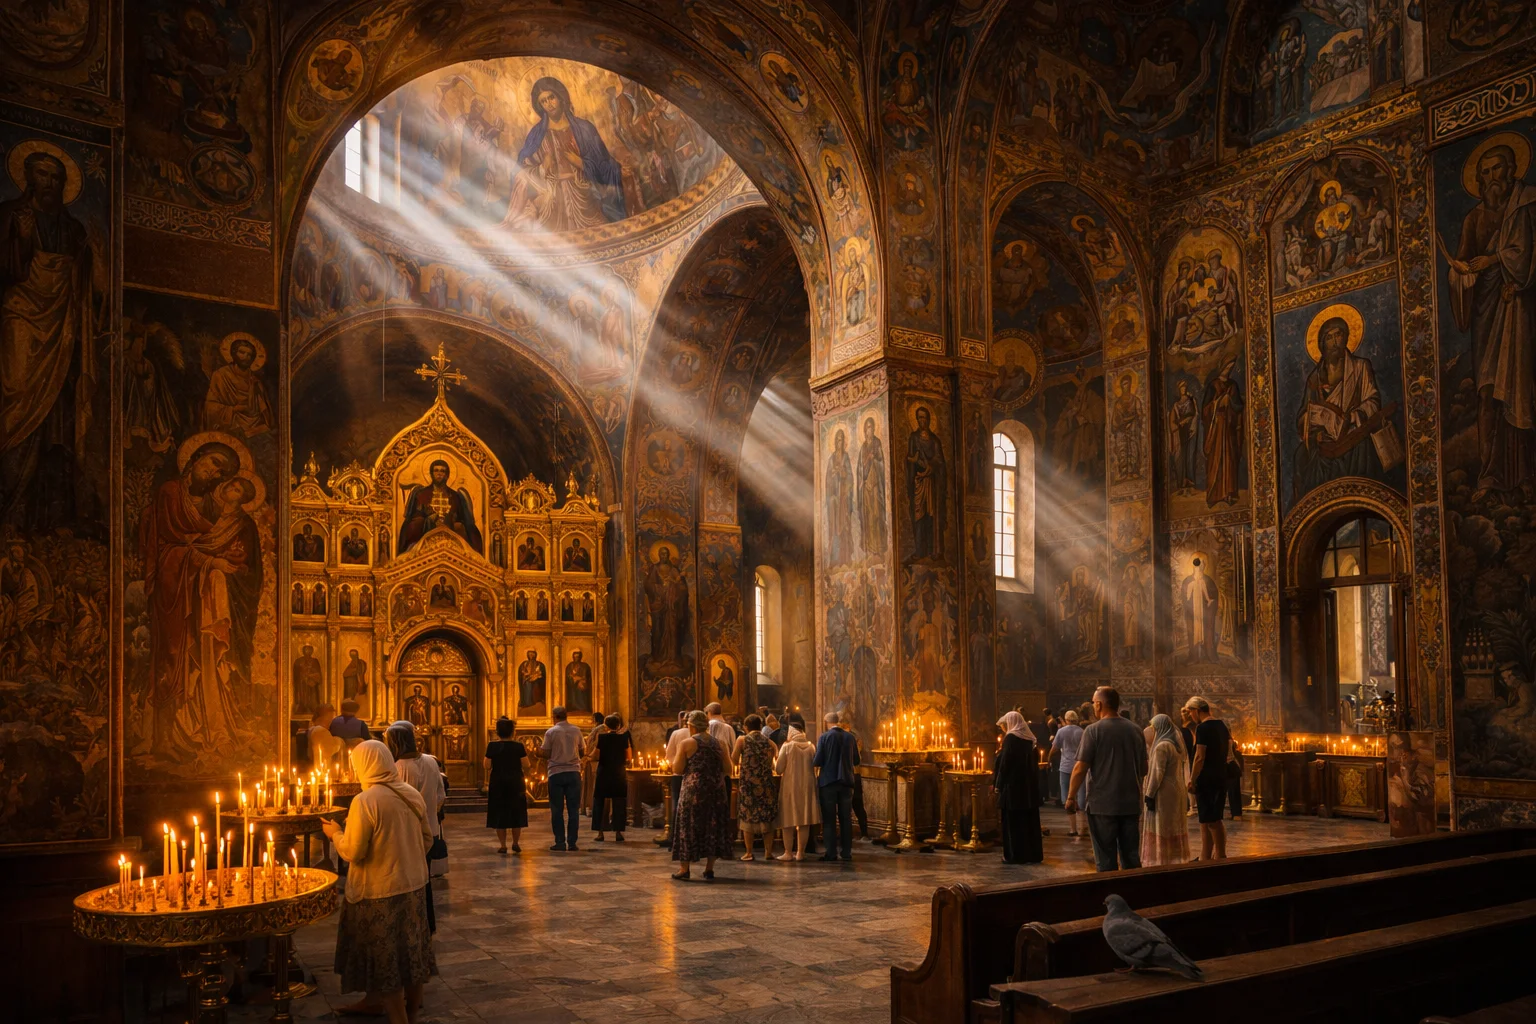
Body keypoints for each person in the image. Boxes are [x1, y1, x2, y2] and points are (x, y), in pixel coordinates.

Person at [321, 741, 435, 1024]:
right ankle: (403, 1010)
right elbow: (427, 839)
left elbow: (353, 852)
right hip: (415, 885)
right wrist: (405, 856)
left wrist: (335, 833)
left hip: (379, 891)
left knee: (385, 958)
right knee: (410, 952)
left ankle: (399, 1019)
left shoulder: (366, 800)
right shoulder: (410, 793)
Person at [1065, 686, 1147, 872]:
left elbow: (1080, 768)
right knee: (1131, 857)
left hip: (1102, 805)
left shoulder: (1093, 731)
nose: (1094, 707)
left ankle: (1110, 896)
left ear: (1100, 704)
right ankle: (1135, 894)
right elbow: (1144, 768)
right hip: (1130, 804)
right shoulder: (1136, 730)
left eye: (1094, 703)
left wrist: (1071, 797)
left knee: (1105, 858)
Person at [384, 722, 447, 929]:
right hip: (430, 826)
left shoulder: (397, 768)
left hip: (406, 832)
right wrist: (431, 813)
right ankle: (428, 921)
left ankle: (410, 923)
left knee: (408, 879)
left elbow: (396, 803)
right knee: (424, 877)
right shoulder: (430, 761)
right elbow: (440, 794)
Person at [670, 710, 733, 880]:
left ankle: (685, 869)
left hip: (693, 792)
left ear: (691, 726)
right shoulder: (721, 744)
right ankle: (709, 868)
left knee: (688, 827)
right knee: (712, 827)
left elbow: (677, 769)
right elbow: (728, 769)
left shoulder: (686, 743)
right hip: (716, 792)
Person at [1140, 715, 1190, 867]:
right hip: (1176, 790)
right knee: (1173, 825)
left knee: (1160, 825)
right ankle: (1174, 857)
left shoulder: (1161, 746)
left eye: (1154, 728)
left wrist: (1149, 794)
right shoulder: (1175, 746)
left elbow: (1156, 773)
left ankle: (1160, 859)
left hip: (1162, 792)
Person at [1185, 696, 1232, 861]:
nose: (1191, 716)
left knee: (1212, 820)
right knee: (1206, 819)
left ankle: (1220, 856)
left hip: (1207, 778)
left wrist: (1192, 778)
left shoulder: (1203, 728)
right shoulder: (1221, 725)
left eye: (1191, 712)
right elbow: (1230, 750)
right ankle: (1205, 856)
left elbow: (1199, 756)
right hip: (1220, 775)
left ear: (1197, 711)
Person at [993, 712, 1043, 864]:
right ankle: (1032, 854)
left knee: (1013, 823)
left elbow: (1005, 764)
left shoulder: (1010, 738)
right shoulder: (1028, 739)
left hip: (1013, 788)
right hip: (1028, 789)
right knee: (1029, 822)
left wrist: (998, 784)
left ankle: (1014, 855)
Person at [812, 711, 859, 862]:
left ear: (827, 722)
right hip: (847, 782)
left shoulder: (824, 737)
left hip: (828, 783)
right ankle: (846, 852)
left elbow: (817, 761)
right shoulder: (850, 737)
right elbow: (856, 760)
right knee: (846, 819)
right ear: (838, 721)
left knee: (829, 819)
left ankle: (831, 852)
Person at [732, 714, 779, 860]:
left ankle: (749, 852)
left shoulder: (742, 740)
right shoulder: (770, 742)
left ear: (746, 727)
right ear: (760, 726)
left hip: (748, 784)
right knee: (767, 817)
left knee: (748, 817)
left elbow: (733, 760)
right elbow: (774, 762)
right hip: (766, 784)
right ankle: (768, 852)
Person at [539, 706, 584, 851]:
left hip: (556, 773)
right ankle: (572, 843)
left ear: (554, 716)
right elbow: (583, 751)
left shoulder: (551, 732)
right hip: (573, 773)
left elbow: (546, 753)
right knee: (573, 810)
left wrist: (538, 753)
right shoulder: (576, 730)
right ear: (566, 716)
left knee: (557, 809)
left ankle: (559, 842)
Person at [774, 724, 820, 860]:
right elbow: (816, 766)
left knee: (787, 820)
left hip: (790, 786)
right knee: (804, 820)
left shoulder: (787, 747)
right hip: (807, 787)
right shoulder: (811, 746)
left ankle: (788, 852)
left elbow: (778, 769)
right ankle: (801, 853)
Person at [483, 717, 529, 854]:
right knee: (516, 812)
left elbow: (486, 765)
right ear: (512, 732)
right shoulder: (518, 746)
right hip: (516, 782)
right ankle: (515, 842)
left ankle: (503, 845)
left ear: (497, 732)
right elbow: (527, 764)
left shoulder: (492, 746)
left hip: (498, 782)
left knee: (499, 812)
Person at [591, 714, 633, 842]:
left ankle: (600, 833)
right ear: (618, 725)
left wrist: (588, 756)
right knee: (619, 802)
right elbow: (629, 757)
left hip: (604, 772)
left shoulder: (602, 737)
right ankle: (618, 832)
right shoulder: (624, 738)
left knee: (599, 802)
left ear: (605, 725)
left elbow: (596, 755)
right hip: (618, 773)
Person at [1050, 710, 1085, 837]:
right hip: (1079, 766)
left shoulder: (1062, 731)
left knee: (1067, 796)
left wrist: (1048, 758)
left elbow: (1055, 747)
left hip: (1065, 767)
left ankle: (1072, 829)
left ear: (1066, 718)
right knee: (1081, 796)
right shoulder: (1081, 731)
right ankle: (1083, 828)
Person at [581, 711, 604, 817]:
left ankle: (591, 807)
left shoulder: (601, 729)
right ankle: (587, 807)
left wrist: (590, 756)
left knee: (592, 785)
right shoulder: (597, 729)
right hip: (590, 759)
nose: (591, 720)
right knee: (589, 785)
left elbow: (597, 745)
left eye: (593, 718)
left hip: (594, 760)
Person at [1227, 740, 1246, 819]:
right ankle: (1235, 813)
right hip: (1229, 765)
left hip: (1230, 765)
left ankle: (1236, 813)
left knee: (1233, 790)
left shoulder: (1228, 740)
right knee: (1232, 791)